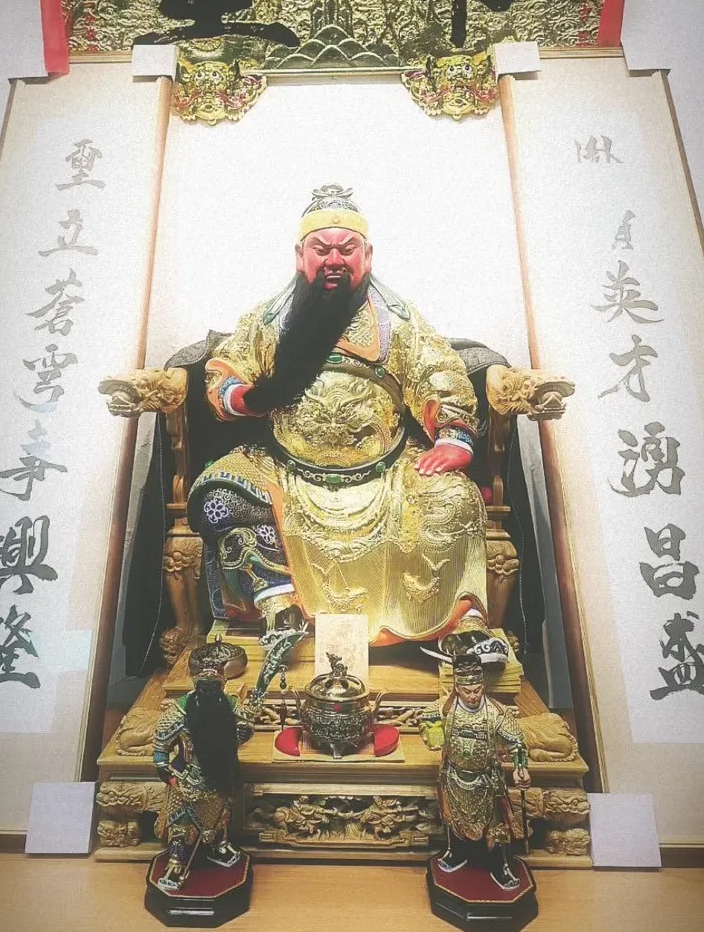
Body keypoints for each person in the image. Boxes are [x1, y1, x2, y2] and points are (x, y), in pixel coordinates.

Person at [189, 184, 492, 650]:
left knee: (456, 498)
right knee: (218, 496)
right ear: (300, 256)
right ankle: (278, 603)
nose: (334, 260)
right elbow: (226, 370)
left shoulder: (398, 321)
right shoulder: (269, 320)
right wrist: (243, 397)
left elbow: (437, 371)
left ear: (367, 256)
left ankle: (458, 627)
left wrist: (453, 436)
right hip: (286, 472)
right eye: (321, 249)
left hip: (386, 477)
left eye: (347, 249)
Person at [420, 651, 531, 887]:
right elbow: (426, 720)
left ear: (483, 686)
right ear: (457, 688)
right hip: (453, 776)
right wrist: (432, 733)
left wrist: (521, 768)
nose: (473, 695)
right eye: (467, 691)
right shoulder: (445, 709)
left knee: (496, 828)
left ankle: (500, 865)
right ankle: (456, 852)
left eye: (477, 690)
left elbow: (518, 743)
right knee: (453, 819)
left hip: (486, 782)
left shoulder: (496, 713)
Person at [152, 650, 253, 890]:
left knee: (221, 816)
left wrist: (245, 729)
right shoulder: (180, 710)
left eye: (214, 682)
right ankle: (177, 861)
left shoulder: (230, 704)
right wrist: (164, 770)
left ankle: (219, 846)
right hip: (188, 778)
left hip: (222, 772)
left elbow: (242, 733)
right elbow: (161, 743)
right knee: (182, 824)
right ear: (195, 682)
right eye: (205, 682)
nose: (209, 686)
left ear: (222, 682)